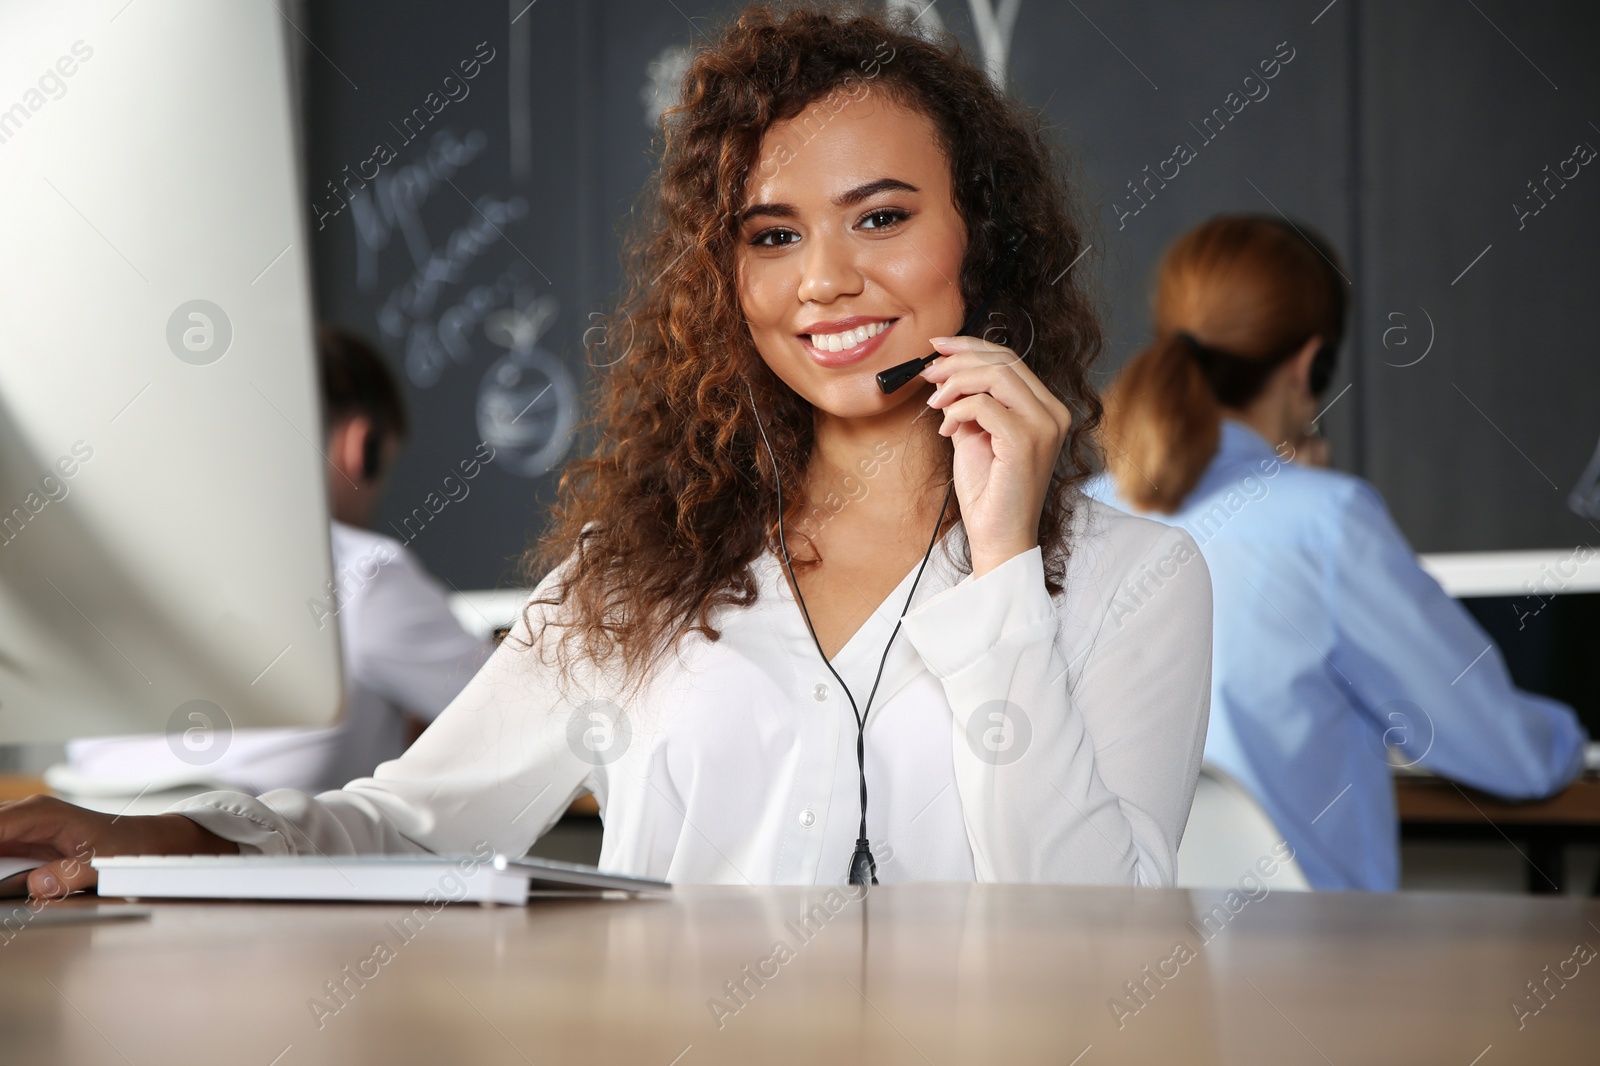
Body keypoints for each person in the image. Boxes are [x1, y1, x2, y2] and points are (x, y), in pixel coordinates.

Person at [1, 3, 1211, 896]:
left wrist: (1000, 567)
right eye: (772, 234)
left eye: (881, 216)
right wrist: (167, 838)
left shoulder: (1135, 580)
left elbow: (1103, 931)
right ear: (727, 280)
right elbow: (410, 824)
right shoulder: (638, 569)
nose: (827, 279)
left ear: (980, 238)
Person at [1087, 214, 1587, 891]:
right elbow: (1503, 753)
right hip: (1318, 971)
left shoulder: (1080, 517)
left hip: (1114, 962)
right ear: (1310, 363)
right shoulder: (1327, 523)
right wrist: (1570, 741)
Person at [52, 326, 493, 797]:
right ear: (360, 447)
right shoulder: (361, 573)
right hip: (288, 864)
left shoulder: (116, 563)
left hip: (97, 862)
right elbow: (521, 720)